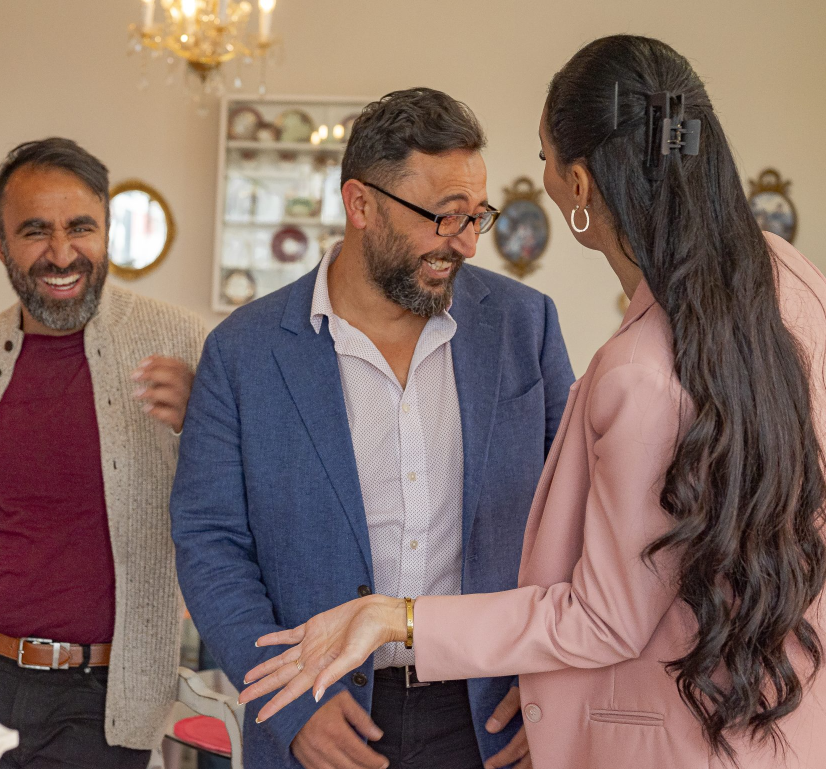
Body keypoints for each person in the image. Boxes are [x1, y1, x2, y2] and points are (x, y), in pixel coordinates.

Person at [237, 35, 826, 769]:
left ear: (579, 186)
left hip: (671, 732)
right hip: (785, 721)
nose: (539, 174)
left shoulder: (630, 368)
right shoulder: (786, 275)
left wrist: (396, 617)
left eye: (544, 155)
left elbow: (601, 617)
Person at [171, 88, 575, 769]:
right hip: (320, 716)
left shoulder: (524, 326)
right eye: (445, 218)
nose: (468, 243)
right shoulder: (242, 351)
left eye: (478, 216)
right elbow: (210, 543)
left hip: (492, 718)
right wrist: (292, 707)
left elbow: (578, 518)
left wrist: (555, 693)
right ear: (360, 205)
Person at [0, 137, 206, 768]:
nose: (62, 254)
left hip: (102, 697)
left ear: (107, 231)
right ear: (0, 243)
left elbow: (255, 503)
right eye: (35, 231)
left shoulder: (185, 344)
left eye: (81, 228)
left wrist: (207, 417)